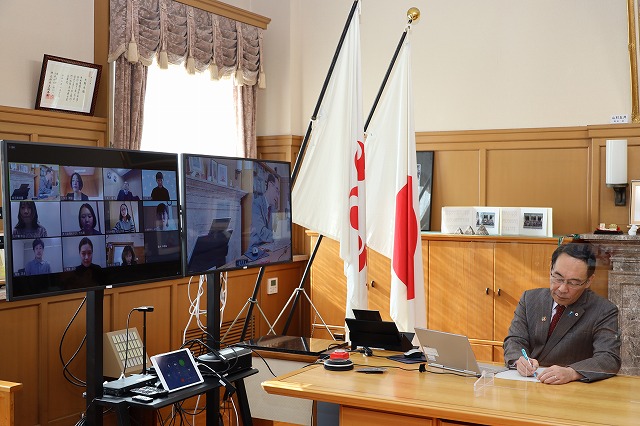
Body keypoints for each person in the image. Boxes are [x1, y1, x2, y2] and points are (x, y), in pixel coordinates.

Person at [503, 243, 621, 384]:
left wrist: (572, 372)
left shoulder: (603, 310)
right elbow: (515, 340)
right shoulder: (530, 299)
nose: (562, 288)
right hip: (528, 385)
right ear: (550, 270)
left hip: (571, 390)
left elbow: (609, 358)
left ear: (589, 281)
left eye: (573, 283)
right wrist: (519, 360)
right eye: (558, 278)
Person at [249, 173, 280, 249]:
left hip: (269, 247)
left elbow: (276, 230)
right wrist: (279, 236)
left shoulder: (273, 208)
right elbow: (262, 231)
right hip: (256, 249)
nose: (277, 196)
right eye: (277, 190)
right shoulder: (256, 204)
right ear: (270, 185)